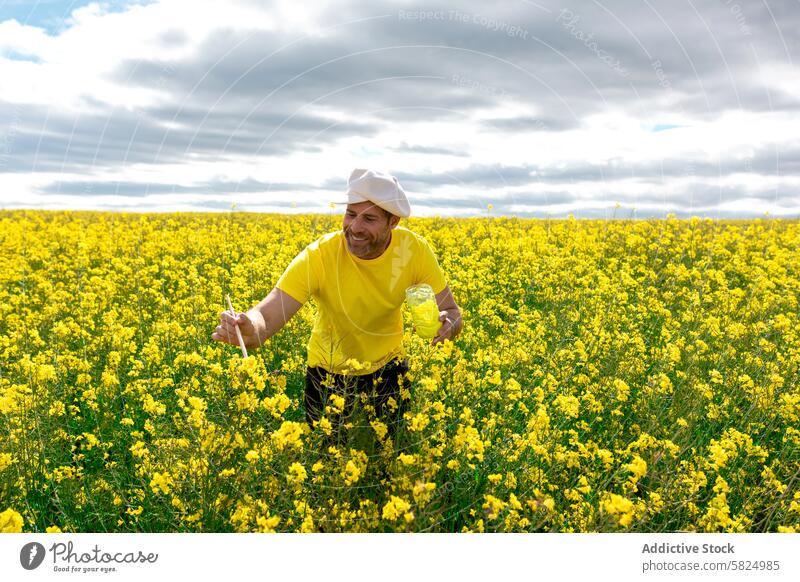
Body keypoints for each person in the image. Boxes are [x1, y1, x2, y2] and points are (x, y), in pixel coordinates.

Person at [211, 168, 463, 435]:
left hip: (389, 369)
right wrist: (250, 328)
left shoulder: (413, 250)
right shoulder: (320, 255)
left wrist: (448, 326)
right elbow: (269, 313)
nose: (355, 227)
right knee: (327, 461)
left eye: (369, 219)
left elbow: (451, 311)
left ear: (393, 222)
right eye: (351, 214)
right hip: (327, 373)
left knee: (391, 457)